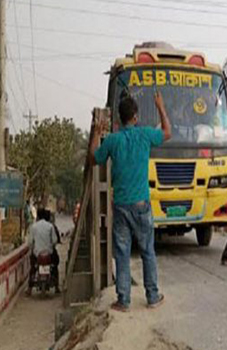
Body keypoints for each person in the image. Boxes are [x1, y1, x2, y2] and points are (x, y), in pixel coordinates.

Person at [90, 93, 171, 312]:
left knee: (122, 253)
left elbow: (94, 158)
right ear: (135, 117)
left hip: (121, 205)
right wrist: (161, 107)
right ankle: (153, 296)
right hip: (142, 204)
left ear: (119, 119)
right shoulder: (145, 135)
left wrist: (97, 133)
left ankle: (123, 300)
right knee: (148, 251)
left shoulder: (114, 140)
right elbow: (167, 132)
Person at [27, 208, 59, 296]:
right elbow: (55, 241)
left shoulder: (34, 227)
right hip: (49, 253)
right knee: (55, 266)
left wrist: (34, 248)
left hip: (37, 254)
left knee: (32, 268)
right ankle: (56, 287)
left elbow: (30, 242)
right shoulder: (50, 226)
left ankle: (29, 289)